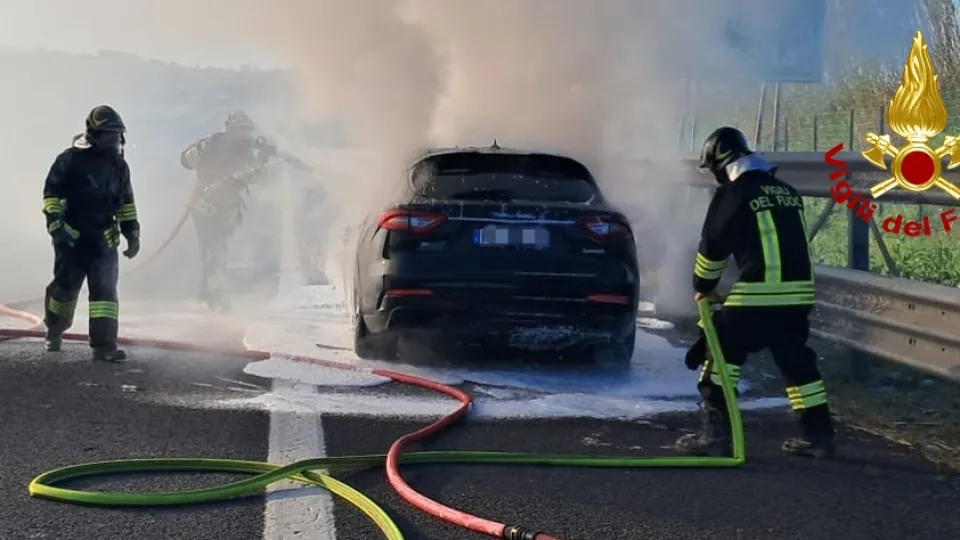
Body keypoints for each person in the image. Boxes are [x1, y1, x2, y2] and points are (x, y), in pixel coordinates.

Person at [675, 126, 836, 459]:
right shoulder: (787, 191)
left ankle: (715, 436)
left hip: (758, 297)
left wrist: (703, 288)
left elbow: (712, 249)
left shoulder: (732, 195)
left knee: (720, 357)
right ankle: (819, 437)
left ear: (722, 162)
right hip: (797, 298)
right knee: (798, 367)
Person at [41, 105, 141, 362]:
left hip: (103, 238)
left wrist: (132, 233)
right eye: (109, 135)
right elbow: (52, 197)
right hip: (73, 237)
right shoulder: (69, 160)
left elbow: (126, 202)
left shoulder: (119, 166)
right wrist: (57, 229)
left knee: (105, 294)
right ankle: (54, 328)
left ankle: (104, 346)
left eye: (117, 135)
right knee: (64, 291)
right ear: (94, 134)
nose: (115, 141)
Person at [179, 111, 277, 313]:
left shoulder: (245, 154)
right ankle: (217, 300)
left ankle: (208, 295)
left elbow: (258, 178)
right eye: (241, 131)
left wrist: (262, 162)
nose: (245, 136)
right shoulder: (213, 145)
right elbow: (185, 161)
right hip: (205, 208)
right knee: (214, 253)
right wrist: (200, 150)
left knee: (215, 253)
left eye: (247, 132)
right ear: (230, 130)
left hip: (225, 211)